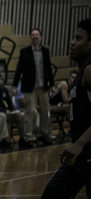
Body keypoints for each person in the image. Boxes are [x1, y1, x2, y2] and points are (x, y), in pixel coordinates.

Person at [41, 18, 91, 198]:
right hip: (79, 157)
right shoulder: (80, 75)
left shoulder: (89, 71)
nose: (72, 42)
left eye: (79, 38)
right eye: (73, 37)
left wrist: (80, 143)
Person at [12, 27, 55, 147]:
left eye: (37, 35)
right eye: (33, 35)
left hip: (43, 86)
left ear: (40, 37)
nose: (35, 36)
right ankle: (28, 136)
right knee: (29, 112)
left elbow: (48, 69)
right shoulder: (25, 51)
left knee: (46, 110)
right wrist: (15, 85)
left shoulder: (45, 51)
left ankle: (45, 133)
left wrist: (52, 84)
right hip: (30, 86)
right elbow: (19, 69)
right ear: (30, 37)